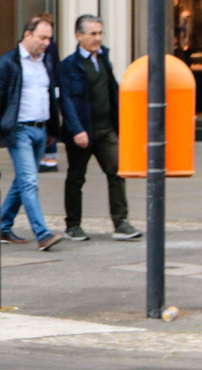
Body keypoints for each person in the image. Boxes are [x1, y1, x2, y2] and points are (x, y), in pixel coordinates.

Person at [58, 14, 142, 242]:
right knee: (76, 178)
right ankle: (73, 225)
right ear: (79, 35)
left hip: (106, 130)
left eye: (100, 33)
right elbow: (65, 99)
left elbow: (112, 91)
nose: (98, 38)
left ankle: (121, 222)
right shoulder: (69, 65)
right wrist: (76, 130)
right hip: (82, 132)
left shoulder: (104, 58)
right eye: (93, 33)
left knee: (117, 172)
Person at [0, 16, 63, 251]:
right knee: (29, 181)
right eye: (42, 37)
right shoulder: (8, 62)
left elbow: (50, 97)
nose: (47, 42)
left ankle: (1, 226)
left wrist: (53, 130)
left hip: (41, 129)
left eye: (49, 38)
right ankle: (43, 234)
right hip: (18, 130)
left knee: (22, 181)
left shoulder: (45, 61)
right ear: (27, 35)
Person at [38, 12, 61, 173]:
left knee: (47, 119)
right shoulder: (52, 44)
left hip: (48, 87)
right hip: (53, 85)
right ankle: (49, 156)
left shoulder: (48, 46)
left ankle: (50, 157)